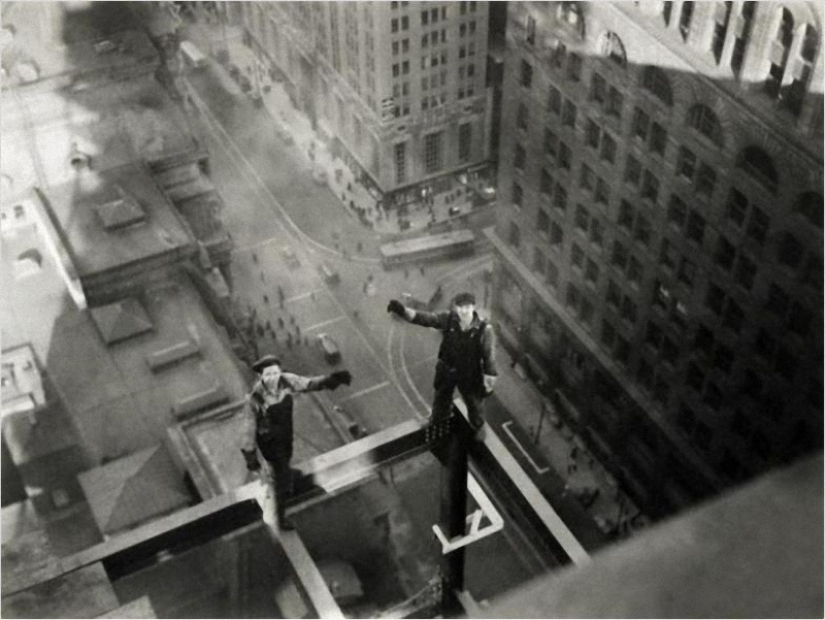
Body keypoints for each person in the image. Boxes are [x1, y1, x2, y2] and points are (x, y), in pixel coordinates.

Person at [241, 356, 352, 530]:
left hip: (286, 433)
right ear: (260, 376)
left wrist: (333, 380)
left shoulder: (287, 381)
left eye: (275, 373)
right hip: (270, 442)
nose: (273, 378)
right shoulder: (255, 398)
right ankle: (279, 518)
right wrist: (251, 457)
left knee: (285, 461)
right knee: (282, 477)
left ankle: (288, 476)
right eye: (268, 375)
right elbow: (249, 430)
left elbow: (308, 384)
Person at [387, 292, 496, 431]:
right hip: (447, 368)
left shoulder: (484, 330)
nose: (463, 311)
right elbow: (425, 318)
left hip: (469, 373)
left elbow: (489, 357)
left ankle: (478, 429)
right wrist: (402, 310)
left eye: (467, 307)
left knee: (474, 404)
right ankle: (438, 423)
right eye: (460, 307)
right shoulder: (450, 319)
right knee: (441, 400)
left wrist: (489, 383)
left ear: (473, 307)